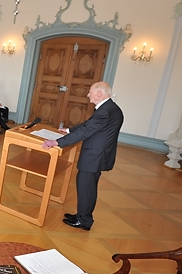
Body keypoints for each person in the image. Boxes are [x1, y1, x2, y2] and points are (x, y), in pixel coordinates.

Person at [42, 82, 124, 231]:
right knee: (86, 186)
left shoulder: (105, 111)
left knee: (86, 188)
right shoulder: (110, 108)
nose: (88, 95)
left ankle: (84, 221)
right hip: (98, 155)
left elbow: (86, 131)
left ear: (99, 93)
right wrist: (69, 130)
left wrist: (57, 142)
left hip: (95, 156)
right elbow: (88, 125)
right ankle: (81, 215)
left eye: (90, 92)